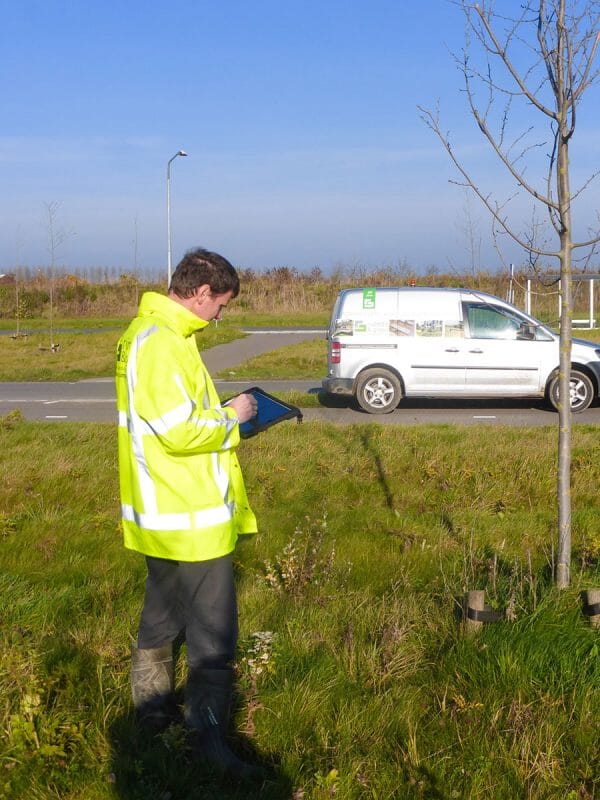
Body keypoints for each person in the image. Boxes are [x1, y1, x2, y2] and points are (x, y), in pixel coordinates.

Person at [115, 247, 259, 777]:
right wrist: (234, 418)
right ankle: (210, 745)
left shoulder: (148, 334)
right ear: (201, 292)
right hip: (191, 517)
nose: (220, 314)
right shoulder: (163, 343)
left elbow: (164, 418)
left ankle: (151, 720)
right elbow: (178, 431)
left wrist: (216, 413)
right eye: (219, 303)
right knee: (212, 636)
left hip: (162, 515)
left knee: (161, 617)